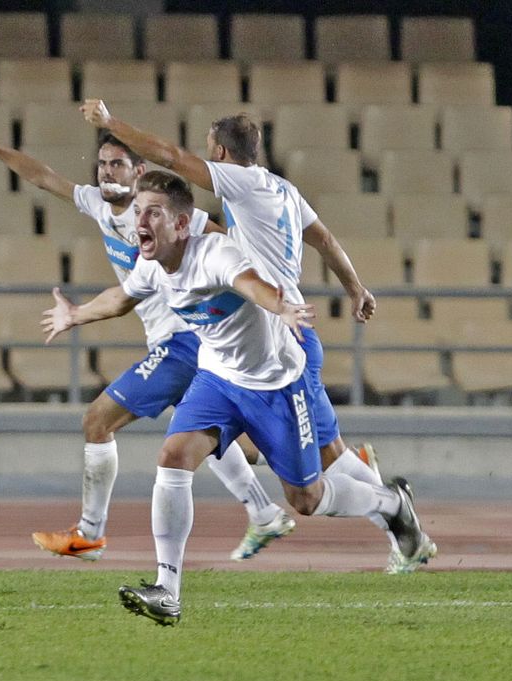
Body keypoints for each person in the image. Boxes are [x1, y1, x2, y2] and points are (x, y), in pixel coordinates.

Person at [41, 172, 427, 625]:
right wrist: (75, 315)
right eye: (139, 211)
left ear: (182, 224)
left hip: (275, 384)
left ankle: (391, 504)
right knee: (173, 456)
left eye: (153, 213)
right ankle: (167, 589)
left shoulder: (215, 254)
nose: (140, 222)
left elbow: (249, 283)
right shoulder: (152, 266)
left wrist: (280, 306)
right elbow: (121, 299)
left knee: (306, 499)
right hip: (218, 380)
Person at [80, 101, 433, 574]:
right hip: (288, 330)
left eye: (210, 151)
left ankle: (388, 507)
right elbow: (325, 240)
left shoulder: (240, 183)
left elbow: (170, 156)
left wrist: (110, 123)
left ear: (222, 153)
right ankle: (404, 530)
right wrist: (355, 288)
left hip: (277, 338)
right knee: (330, 455)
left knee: (305, 488)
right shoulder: (283, 189)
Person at [0, 103, 295, 562]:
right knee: (212, 436)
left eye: (117, 164)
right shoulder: (99, 206)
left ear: (139, 172)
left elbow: (226, 249)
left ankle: (89, 534)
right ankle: (275, 503)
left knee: (98, 421)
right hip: (176, 342)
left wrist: (257, 299)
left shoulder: (162, 214)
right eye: (102, 164)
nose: (106, 172)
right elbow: (43, 177)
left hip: (186, 339)